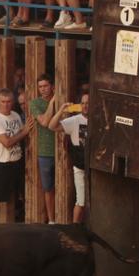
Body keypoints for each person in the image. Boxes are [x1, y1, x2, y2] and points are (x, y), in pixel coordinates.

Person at [0, 87, 35, 223]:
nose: (6, 104)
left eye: (9, 101)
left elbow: (22, 130)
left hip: (17, 161)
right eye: (3, 101)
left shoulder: (15, 115)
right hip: (2, 164)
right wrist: (24, 132)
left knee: (16, 195)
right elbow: (7, 142)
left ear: (13, 102)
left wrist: (26, 129)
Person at [50, 88, 89, 224]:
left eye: (88, 103)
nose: (85, 106)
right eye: (83, 103)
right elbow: (52, 126)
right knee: (81, 200)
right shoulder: (75, 120)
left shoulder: (99, 119)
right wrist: (61, 110)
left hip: (94, 168)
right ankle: (74, 229)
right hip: (80, 167)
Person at [29, 74, 62, 223]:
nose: (42, 89)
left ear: (52, 86)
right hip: (45, 151)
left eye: (45, 86)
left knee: (63, 185)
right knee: (48, 188)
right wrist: (53, 102)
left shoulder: (62, 100)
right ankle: (52, 220)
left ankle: (63, 218)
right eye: (40, 86)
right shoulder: (35, 103)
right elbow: (44, 121)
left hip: (63, 150)